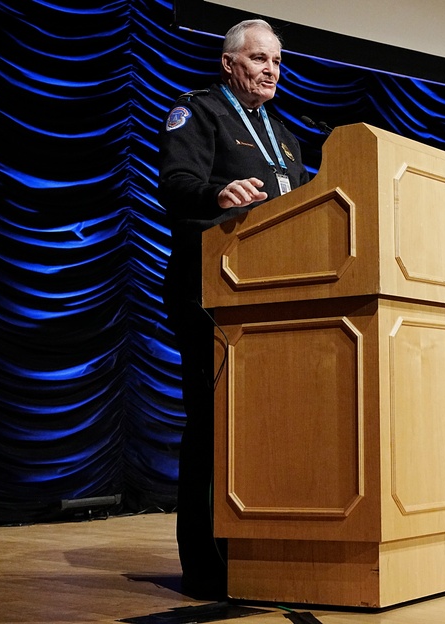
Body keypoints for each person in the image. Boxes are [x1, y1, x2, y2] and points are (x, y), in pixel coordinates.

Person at [157, 18, 310, 600]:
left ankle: (264, 551)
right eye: (259, 59)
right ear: (229, 64)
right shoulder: (199, 113)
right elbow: (174, 182)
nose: (272, 70)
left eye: (277, 61)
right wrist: (214, 196)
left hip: (277, 304)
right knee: (212, 431)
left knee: (269, 433)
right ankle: (206, 565)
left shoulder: (286, 134)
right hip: (211, 297)